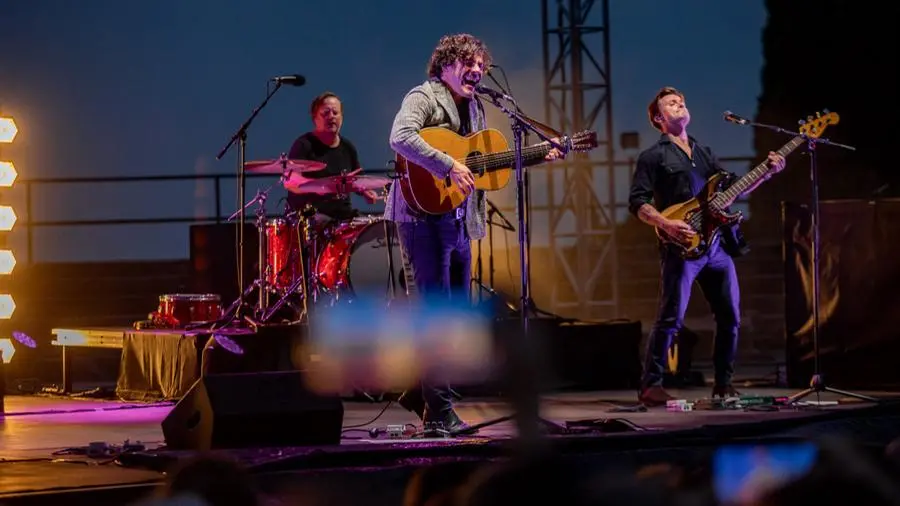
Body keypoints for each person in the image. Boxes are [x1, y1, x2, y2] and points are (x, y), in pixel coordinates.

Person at [384, 33, 563, 431]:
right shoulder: (424, 96)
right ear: (445, 65)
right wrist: (447, 165)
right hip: (421, 218)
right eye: (468, 61)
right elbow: (401, 136)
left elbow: (483, 165)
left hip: (459, 221)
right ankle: (438, 413)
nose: (477, 69)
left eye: (481, 64)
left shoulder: (478, 107)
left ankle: (423, 394)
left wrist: (534, 156)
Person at [628, 86, 786, 406]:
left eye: (682, 101)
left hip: (716, 246)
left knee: (730, 315)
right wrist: (666, 224)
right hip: (681, 245)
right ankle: (651, 386)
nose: (679, 104)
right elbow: (638, 202)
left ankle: (724, 385)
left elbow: (733, 189)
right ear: (659, 118)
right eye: (671, 103)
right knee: (671, 317)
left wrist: (767, 174)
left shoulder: (705, 153)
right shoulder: (653, 156)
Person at [285, 91, 379, 222]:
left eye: (335, 113)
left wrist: (365, 191)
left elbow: (357, 179)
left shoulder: (347, 147)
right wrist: (320, 187)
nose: (331, 117)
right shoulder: (303, 145)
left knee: (374, 226)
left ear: (342, 117)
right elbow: (291, 181)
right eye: (325, 113)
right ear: (314, 118)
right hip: (312, 217)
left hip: (344, 216)